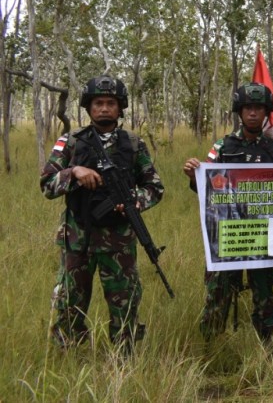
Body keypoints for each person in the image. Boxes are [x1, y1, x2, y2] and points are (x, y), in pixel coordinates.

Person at [40, 75, 164, 351]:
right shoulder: (70, 141)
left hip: (119, 242)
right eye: (98, 103)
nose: (104, 108)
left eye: (111, 103)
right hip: (78, 239)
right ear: (88, 107)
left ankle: (123, 360)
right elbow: (47, 184)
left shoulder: (133, 144)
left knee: (125, 304)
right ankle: (70, 357)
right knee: (69, 304)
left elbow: (154, 188)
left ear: (120, 108)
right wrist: (73, 172)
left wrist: (133, 202)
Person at [183, 82, 273, 343]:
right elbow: (206, 189)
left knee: (264, 294)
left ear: (266, 113)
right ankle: (211, 347)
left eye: (258, 108)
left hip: (264, 235)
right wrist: (194, 175)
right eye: (247, 108)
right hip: (227, 233)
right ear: (239, 112)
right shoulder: (222, 147)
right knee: (218, 291)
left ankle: (266, 346)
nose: (253, 113)